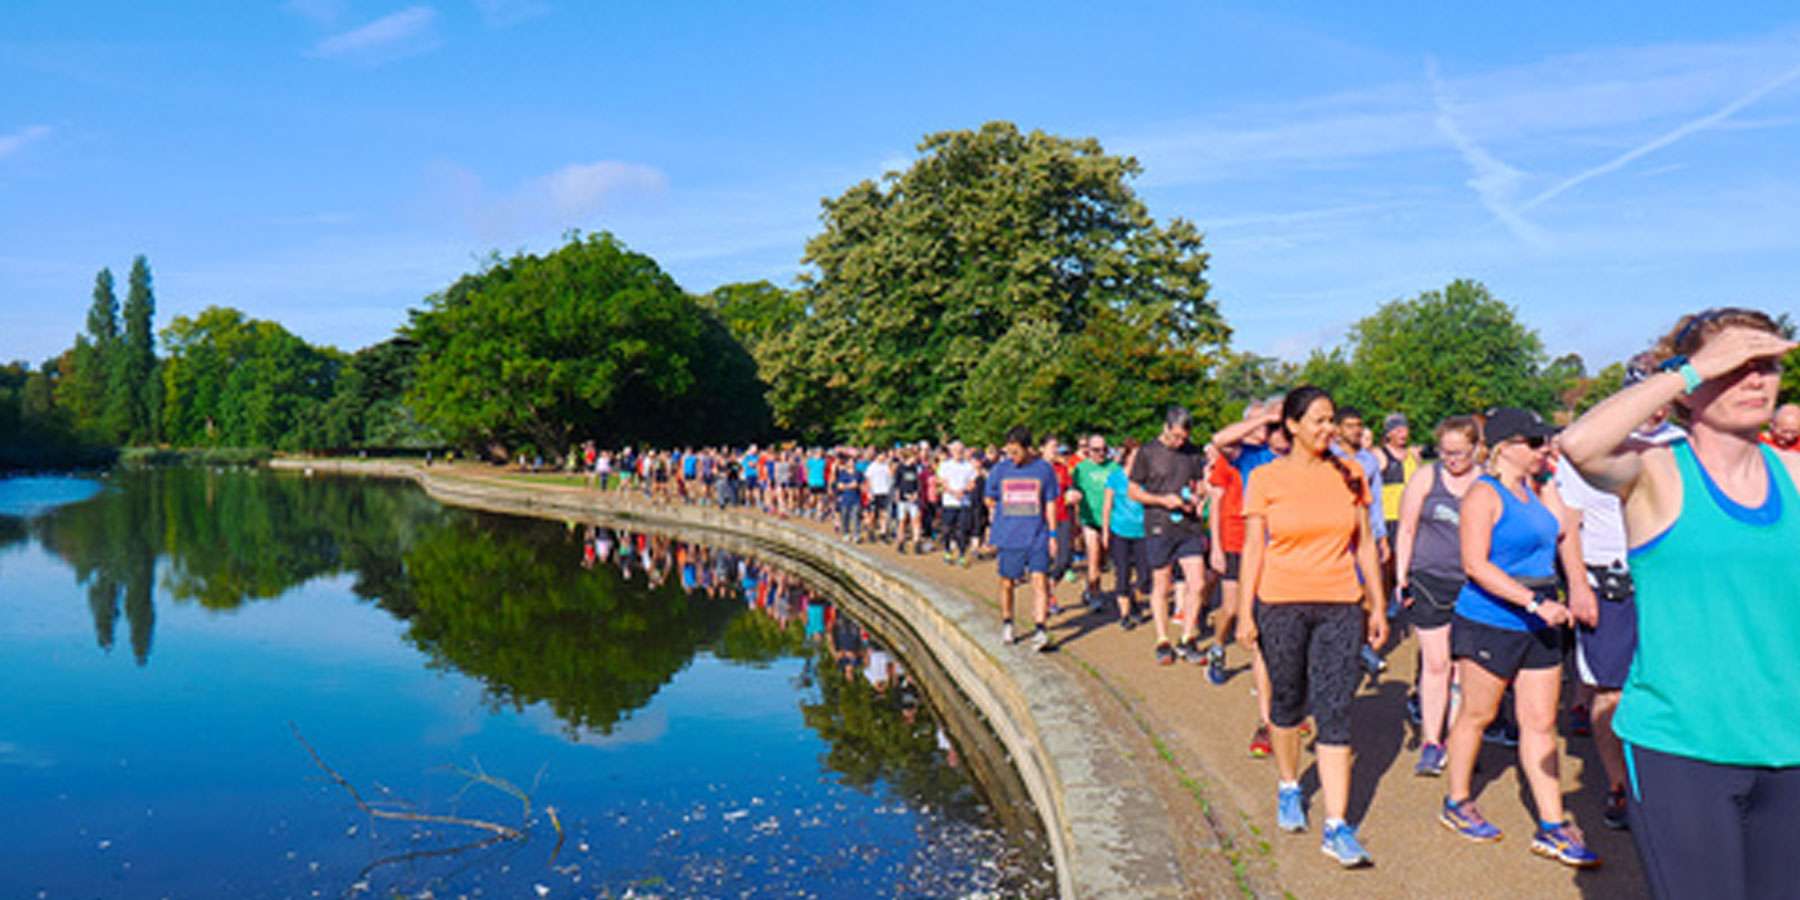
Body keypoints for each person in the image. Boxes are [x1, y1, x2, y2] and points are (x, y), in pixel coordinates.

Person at [1561, 308, 1800, 900]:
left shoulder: (1794, 473)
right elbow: (1578, 443)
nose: (1755, 380)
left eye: (1766, 365)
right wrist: (1689, 372)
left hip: (1788, 742)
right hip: (1682, 746)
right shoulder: (1656, 474)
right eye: (1734, 367)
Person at [1439, 406, 1600, 869]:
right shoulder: (1482, 495)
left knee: (1539, 722)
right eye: (1534, 443)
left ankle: (1552, 824)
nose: (1543, 450)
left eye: (1545, 442)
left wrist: (1576, 589)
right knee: (1478, 713)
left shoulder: (1542, 490)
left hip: (1542, 621)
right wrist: (1532, 604)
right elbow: (1475, 565)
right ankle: (1457, 798)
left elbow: (1566, 537)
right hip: (1493, 618)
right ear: (1506, 446)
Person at [1237, 386, 1388, 867]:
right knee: (1286, 699)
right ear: (1293, 426)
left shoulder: (1351, 474)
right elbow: (1255, 550)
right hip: (1280, 602)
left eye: (1332, 420)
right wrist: (1244, 612)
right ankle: (1288, 784)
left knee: (1335, 706)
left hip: (1340, 603)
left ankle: (1337, 826)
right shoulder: (1265, 478)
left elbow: (1364, 544)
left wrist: (1377, 606)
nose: (1329, 429)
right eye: (1318, 421)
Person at [1553, 367, 1682, 831]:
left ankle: (1663, 780)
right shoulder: (1592, 449)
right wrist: (1579, 586)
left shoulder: (1683, 444)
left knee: (1667, 684)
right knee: (1609, 690)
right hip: (1606, 582)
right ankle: (1619, 785)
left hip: (1665, 583)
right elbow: (1568, 526)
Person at [1392, 415, 1483, 777]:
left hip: (1474, 583)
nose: (1453, 460)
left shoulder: (1487, 484)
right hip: (1430, 578)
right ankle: (1432, 741)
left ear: (1476, 449)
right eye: (1446, 453)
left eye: (1460, 453)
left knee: (1465, 668)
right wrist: (1402, 576)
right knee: (1435, 663)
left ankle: (1460, 740)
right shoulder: (1426, 478)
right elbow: (1408, 527)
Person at [1210, 402, 1283, 755]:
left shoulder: (1317, 458)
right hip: (1255, 554)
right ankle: (1267, 721)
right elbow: (1220, 439)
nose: (1281, 430)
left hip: (1300, 563)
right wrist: (1264, 419)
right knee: (1262, 641)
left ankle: (1290, 707)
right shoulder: (1254, 455)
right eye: (1276, 424)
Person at [1129, 406, 1209, 665]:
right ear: (1166, 427)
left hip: (1189, 526)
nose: (1179, 442)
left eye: (1183, 438)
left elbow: (1201, 483)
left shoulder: (1193, 452)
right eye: (1175, 437)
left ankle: (1188, 638)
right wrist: (1163, 501)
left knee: (1197, 583)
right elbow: (1134, 492)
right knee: (1161, 584)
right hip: (1159, 525)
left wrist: (1198, 496)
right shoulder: (1148, 452)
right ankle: (1162, 640)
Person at [985, 425, 1061, 652]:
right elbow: (989, 498)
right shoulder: (1000, 470)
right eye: (1009, 452)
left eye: (1016, 452)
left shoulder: (1043, 470)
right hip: (1009, 536)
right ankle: (1008, 622)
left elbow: (1050, 502)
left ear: (1028, 449)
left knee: (1040, 581)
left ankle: (1040, 628)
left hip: (1037, 534)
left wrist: (1053, 534)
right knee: (1007, 582)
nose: (1012, 457)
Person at [1102, 439, 1149, 629]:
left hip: (1142, 532)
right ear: (1127, 456)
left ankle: (1136, 600)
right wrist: (1105, 531)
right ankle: (1124, 614)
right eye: (1135, 456)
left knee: (1145, 576)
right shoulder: (1115, 477)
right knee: (1122, 573)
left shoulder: (1147, 478)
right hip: (1120, 530)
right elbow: (1107, 506)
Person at [1072, 434, 1118, 611]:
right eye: (1096, 450)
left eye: (1104, 449)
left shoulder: (1114, 467)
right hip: (1089, 518)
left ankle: (1089, 587)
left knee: (1103, 559)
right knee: (1093, 556)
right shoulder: (1081, 469)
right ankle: (1095, 594)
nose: (1100, 454)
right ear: (1088, 450)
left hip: (1109, 520)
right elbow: (1075, 492)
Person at [937, 442, 980, 566]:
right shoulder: (945, 465)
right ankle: (947, 551)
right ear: (951, 451)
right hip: (949, 502)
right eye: (955, 450)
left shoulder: (968, 466)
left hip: (964, 502)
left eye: (960, 450)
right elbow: (941, 481)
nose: (958, 452)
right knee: (947, 529)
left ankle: (961, 554)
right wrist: (952, 491)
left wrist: (964, 491)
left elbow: (973, 482)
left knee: (962, 530)